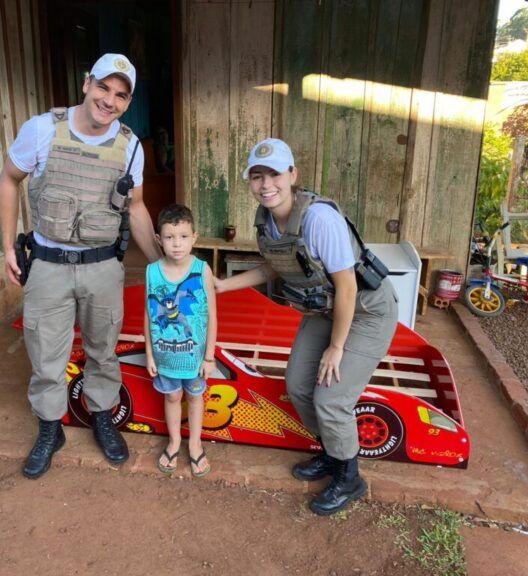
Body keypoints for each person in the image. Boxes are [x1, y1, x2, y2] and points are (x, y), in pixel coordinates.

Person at [0, 53, 162, 479]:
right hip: (49, 264)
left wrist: (164, 265)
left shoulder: (130, 147)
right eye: (104, 87)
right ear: (87, 83)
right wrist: (6, 247)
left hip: (103, 265)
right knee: (45, 353)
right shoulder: (42, 129)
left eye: (120, 95)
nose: (109, 100)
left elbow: (138, 208)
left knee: (102, 350)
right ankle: (50, 430)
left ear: (127, 102)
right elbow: (9, 179)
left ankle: (102, 417)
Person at [214, 138, 398, 515]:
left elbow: (347, 286)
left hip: (365, 309)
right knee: (299, 385)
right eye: (257, 176)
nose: (266, 185)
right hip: (325, 310)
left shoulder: (318, 219)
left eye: (275, 174)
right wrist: (221, 285)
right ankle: (334, 452)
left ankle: (350, 477)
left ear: (293, 174)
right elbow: (272, 268)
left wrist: (336, 347)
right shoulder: (266, 220)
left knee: (330, 398)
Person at [144, 204, 216, 477]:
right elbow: (147, 315)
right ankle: (174, 441)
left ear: (194, 237)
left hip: (195, 357)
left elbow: (212, 315)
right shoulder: (152, 272)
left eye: (184, 236)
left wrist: (209, 356)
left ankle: (195, 445)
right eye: (170, 237)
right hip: (165, 357)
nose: (177, 244)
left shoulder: (201, 270)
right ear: (158, 239)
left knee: (195, 397)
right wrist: (150, 353)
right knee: (172, 396)